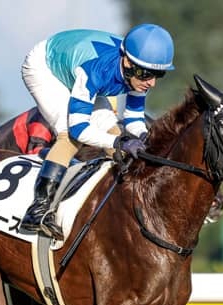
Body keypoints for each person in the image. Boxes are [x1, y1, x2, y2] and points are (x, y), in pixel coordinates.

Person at [18, 24, 175, 240]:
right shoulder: (96, 70)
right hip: (46, 69)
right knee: (69, 137)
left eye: (159, 74)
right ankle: (37, 211)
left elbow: (133, 118)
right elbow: (79, 129)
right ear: (127, 63)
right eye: (147, 74)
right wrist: (120, 143)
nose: (152, 83)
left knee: (114, 132)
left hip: (80, 70)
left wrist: (142, 137)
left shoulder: (138, 70)